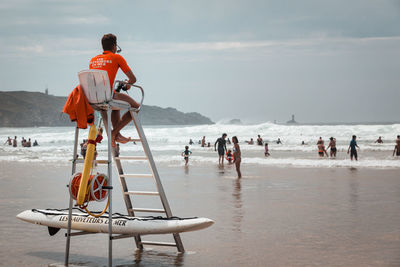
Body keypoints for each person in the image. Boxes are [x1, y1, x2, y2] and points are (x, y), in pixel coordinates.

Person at [89, 33, 139, 147]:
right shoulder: (117, 57)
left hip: (94, 97)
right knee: (136, 107)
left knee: (116, 108)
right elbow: (133, 79)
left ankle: (118, 135)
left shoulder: (93, 60)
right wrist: (128, 85)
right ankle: (114, 133)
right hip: (108, 96)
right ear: (114, 46)